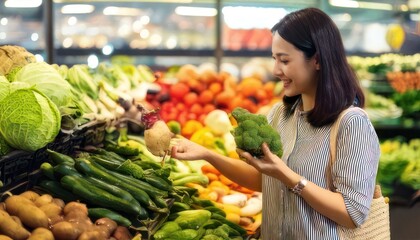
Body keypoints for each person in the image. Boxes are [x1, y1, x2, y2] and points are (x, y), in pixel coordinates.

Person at [171, 7, 380, 239]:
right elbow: (262, 179)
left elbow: (353, 213)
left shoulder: (352, 124)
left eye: (284, 60)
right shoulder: (280, 115)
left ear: (317, 60)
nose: (275, 70)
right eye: (274, 59)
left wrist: (287, 176)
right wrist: (207, 154)